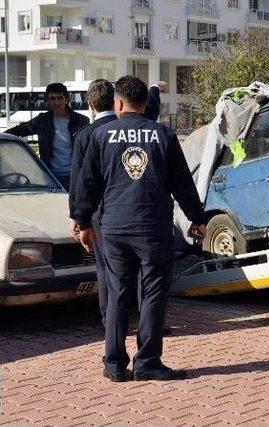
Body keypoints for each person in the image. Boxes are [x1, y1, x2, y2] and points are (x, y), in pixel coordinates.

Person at [75, 76, 206, 382]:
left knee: (118, 294)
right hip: (153, 227)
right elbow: (182, 184)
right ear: (146, 104)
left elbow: (87, 185)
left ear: (117, 103)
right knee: (152, 294)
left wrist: (82, 222)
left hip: (114, 228)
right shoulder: (163, 134)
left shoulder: (101, 135)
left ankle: (115, 365)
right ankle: (147, 361)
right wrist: (197, 218)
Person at [68, 79, 165, 327]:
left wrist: (78, 218)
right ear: (115, 101)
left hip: (104, 217)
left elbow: (81, 180)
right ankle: (150, 324)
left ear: (90, 105)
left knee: (108, 274)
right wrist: (153, 89)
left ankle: (110, 325)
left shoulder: (87, 135)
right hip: (145, 214)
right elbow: (148, 109)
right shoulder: (142, 127)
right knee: (148, 274)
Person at [6, 82, 89, 190]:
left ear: (66, 99)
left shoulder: (81, 121)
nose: (56, 102)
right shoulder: (43, 120)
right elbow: (21, 129)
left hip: (75, 176)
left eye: (60, 98)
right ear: (47, 100)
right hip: (50, 177)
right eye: (52, 98)